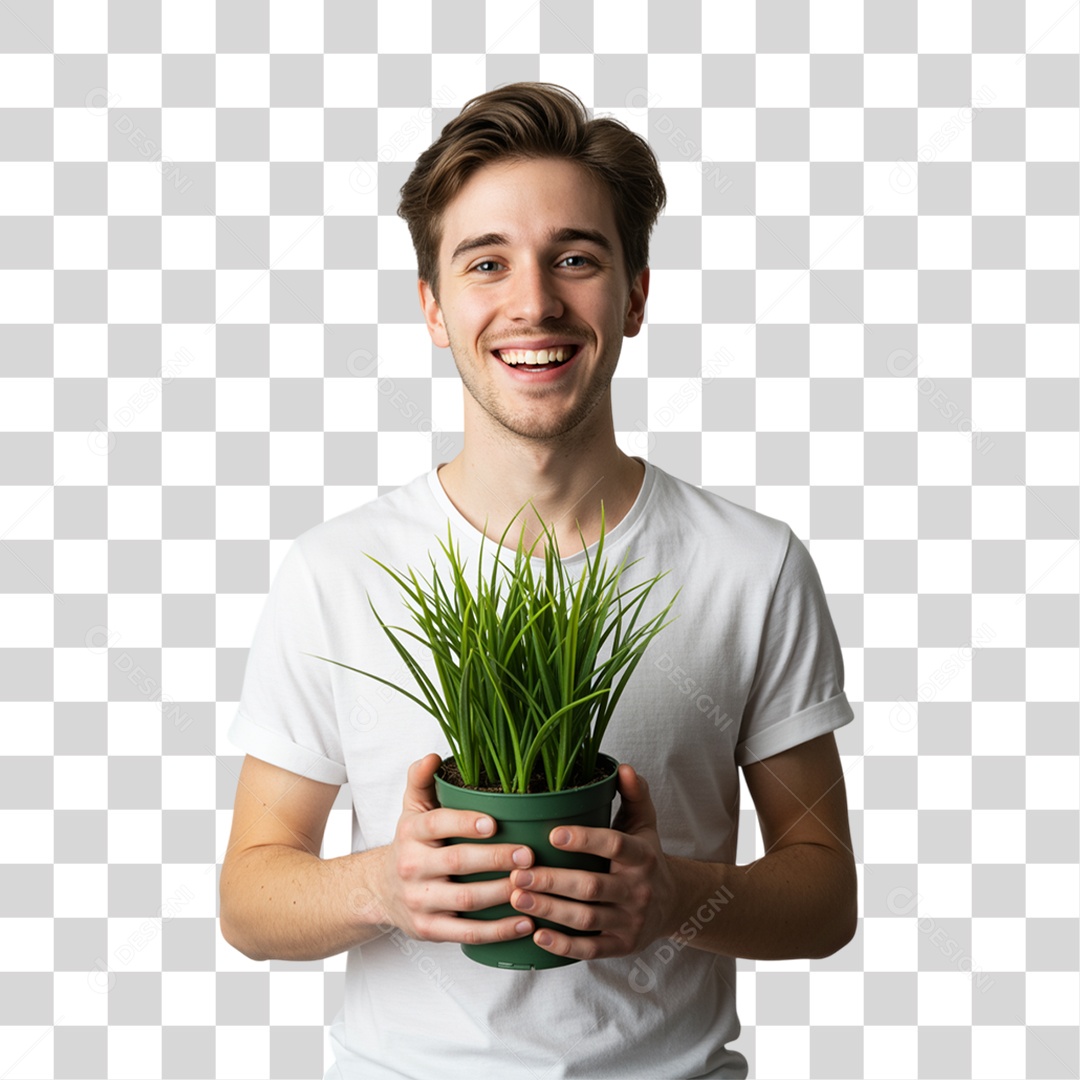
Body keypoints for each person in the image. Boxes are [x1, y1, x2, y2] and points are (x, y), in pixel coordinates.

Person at [220, 82, 857, 1080]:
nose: (534, 302)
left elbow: (824, 895)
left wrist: (676, 897)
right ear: (433, 306)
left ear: (635, 293)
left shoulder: (752, 564)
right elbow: (251, 900)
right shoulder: (337, 570)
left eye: (575, 257)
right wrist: (385, 887)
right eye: (487, 263)